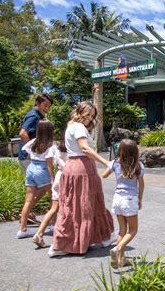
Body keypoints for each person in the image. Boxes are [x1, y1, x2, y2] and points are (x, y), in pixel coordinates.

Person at [49, 101, 115, 257]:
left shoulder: (70, 126)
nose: (90, 118)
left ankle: (97, 238)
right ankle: (101, 237)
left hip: (73, 166)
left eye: (92, 116)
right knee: (87, 204)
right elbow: (85, 148)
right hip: (82, 168)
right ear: (80, 113)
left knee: (74, 205)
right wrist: (106, 162)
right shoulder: (78, 127)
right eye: (88, 115)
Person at [101, 139, 145, 268]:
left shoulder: (115, 163)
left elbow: (104, 175)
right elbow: (141, 184)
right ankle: (118, 249)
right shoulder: (138, 165)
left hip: (117, 199)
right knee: (133, 230)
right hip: (129, 199)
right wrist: (140, 199)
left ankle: (121, 259)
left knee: (122, 230)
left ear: (120, 150)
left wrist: (109, 165)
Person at [17, 120, 55, 239]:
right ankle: (53, 225)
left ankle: (22, 229)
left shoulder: (32, 142)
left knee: (28, 201)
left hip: (31, 168)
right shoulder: (50, 145)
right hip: (42, 169)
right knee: (54, 198)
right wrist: (53, 179)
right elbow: (49, 165)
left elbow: (27, 155)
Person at [31, 130, 67, 248]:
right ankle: (63, 237)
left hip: (58, 177)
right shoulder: (74, 151)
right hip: (67, 178)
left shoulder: (55, 149)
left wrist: (51, 178)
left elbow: (51, 164)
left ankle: (39, 234)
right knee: (69, 208)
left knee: (53, 208)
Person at [18, 94, 53, 173]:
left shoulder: (37, 115)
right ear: (37, 103)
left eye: (49, 107)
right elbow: (23, 133)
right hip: (28, 157)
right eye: (45, 105)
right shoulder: (34, 116)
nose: (47, 109)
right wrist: (31, 152)